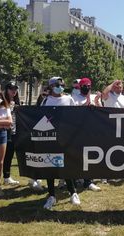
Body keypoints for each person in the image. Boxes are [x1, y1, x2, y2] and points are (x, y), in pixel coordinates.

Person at [41, 77, 80, 210]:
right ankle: (51, 195)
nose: (60, 86)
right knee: (50, 166)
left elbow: (75, 117)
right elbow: (40, 117)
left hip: (66, 138)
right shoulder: (46, 100)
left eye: (62, 84)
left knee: (66, 166)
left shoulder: (69, 99)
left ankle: (73, 192)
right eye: (58, 84)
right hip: (50, 137)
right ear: (51, 86)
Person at [71, 77, 101, 192]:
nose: (87, 88)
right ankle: (75, 180)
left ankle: (88, 181)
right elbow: (76, 112)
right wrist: (88, 100)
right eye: (85, 86)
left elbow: (101, 111)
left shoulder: (94, 97)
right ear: (80, 87)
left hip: (91, 131)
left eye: (89, 86)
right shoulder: (74, 98)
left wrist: (97, 101)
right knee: (77, 156)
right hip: (78, 131)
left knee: (90, 156)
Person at [2, 81, 20, 185]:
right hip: (4, 131)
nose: (14, 91)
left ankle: (7, 176)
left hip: (14, 132)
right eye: (11, 89)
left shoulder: (17, 101)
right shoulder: (2, 101)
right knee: (1, 157)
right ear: (7, 90)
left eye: (15, 89)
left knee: (9, 155)